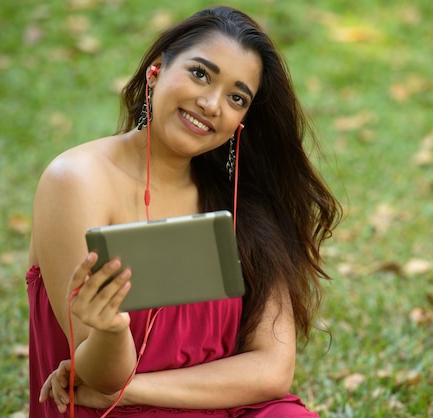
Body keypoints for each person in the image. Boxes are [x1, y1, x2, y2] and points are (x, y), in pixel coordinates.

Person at [26, 6, 341, 417]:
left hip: (220, 407)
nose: (212, 104)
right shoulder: (77, 181)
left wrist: (135, 389)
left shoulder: (243, 204)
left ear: (242, 120)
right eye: (200, 73)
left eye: (236, 97)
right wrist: (110, 330)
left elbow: (270, 372)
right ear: (155, 70)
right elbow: (101, 379)